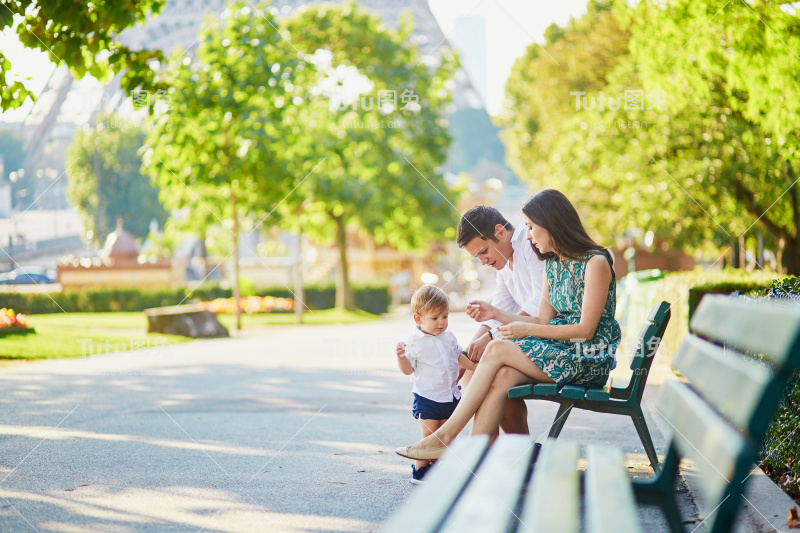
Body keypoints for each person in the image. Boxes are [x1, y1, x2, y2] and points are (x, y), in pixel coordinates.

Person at [395, 189, 621, 461]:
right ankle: (479, 462)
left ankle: (447, 437)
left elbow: (585, 331)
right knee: (500, 377)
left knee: (496, 350)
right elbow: (540, 320)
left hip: (587, 356)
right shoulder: (553, 266)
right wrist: (496, 315)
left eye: (531, 227)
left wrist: (518, 331)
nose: (527, 235)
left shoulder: (596, 262)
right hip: (559, 350)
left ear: (552, 224)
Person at [457, 206, 546, 435]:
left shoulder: (529, 244)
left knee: (495, 370)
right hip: (529, 337)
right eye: (478, 257)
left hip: (547, 336)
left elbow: (540, 304)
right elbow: (497, 312)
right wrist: (464, 356)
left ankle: (510, 448)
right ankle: (498, 448)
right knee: (469, 369)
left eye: (484, 251)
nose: (483, 261)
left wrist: (490, 338)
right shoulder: (504, 262)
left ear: (500, 232)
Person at [395, 285, 476, 481]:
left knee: (447, 439)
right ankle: (419, 471)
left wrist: (479, 366)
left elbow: (459, 357)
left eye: (445, 317)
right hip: (427, 398)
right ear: (418, 319)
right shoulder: (414, 342)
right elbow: (408, 370)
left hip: (449, 396)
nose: (441, 323)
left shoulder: (448, 336)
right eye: (435, 318)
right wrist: (401, 358)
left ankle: (441, 470)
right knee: (430, 439)